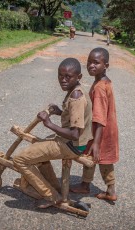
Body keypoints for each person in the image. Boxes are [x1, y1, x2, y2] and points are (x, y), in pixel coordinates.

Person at [13, 57, 93, 208]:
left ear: (79, 77)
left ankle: (51, 196)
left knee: (19, 160)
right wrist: (58, 112)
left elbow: (74, 134)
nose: (63, 80)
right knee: (39, 146)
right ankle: (54, 187)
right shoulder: (76, 91)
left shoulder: (76, 96)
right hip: (73, 143)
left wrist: (49, 123)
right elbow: (75, 119)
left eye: (68, 77)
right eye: (60, 76)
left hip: (71, 144)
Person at [70, 47, 119, 202]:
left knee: (93, 156)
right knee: (104, 160)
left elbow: (98, 117)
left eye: (96, 62)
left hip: (100, 131)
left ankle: (89, 186)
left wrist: (96, 142)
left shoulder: (99, 88)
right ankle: (105, 189)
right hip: (107, 129)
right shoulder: (104, 82)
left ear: (106, 65)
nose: (91, 65)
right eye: (89, 62)